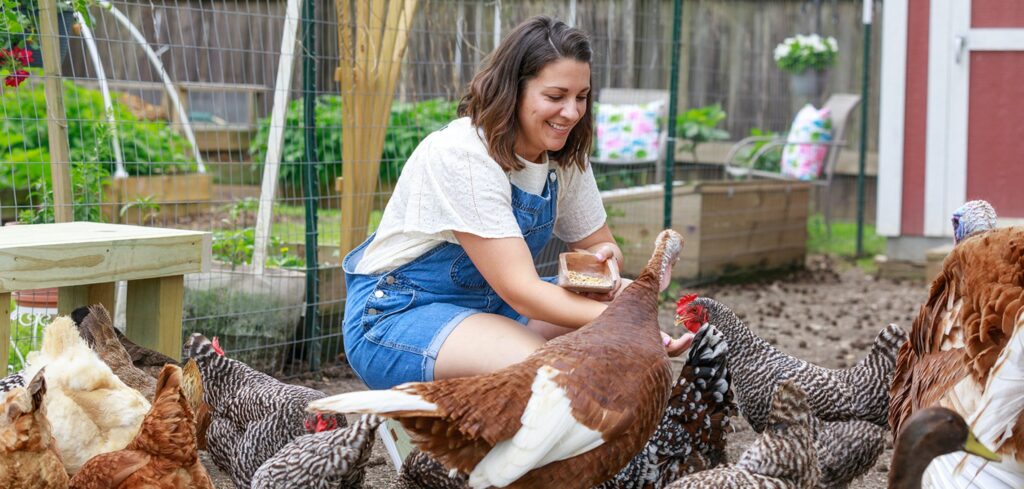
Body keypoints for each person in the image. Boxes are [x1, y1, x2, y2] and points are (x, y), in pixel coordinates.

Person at [342, 15, 693, 392]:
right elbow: (522, 291)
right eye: (556, 97)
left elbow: (598, 246)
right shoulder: (463, 154)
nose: (572, 113)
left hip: (490, 308)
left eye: (581, 97)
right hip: (399, 316)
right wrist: (625, 323)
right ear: (514, 90)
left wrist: (604, 262)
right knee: (548, 371)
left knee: (627, 294)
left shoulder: (562, 156)